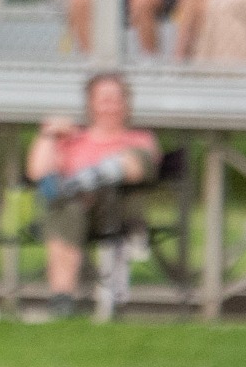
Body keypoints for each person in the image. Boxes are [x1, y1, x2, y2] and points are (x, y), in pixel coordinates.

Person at [24, 73, 159, 320]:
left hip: (117, 211)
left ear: (126, 103)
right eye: (104, 99)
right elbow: (36, 172)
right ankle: (62, 299)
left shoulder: (139, 138)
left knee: (131, 161)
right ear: (91, 104)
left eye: (116, 99)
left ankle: (81, 184)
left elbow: (139, 169)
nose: (110, 106)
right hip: (75, 215)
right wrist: (49, 134)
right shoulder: (74, 139)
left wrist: (89, 182)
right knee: (68, 210)